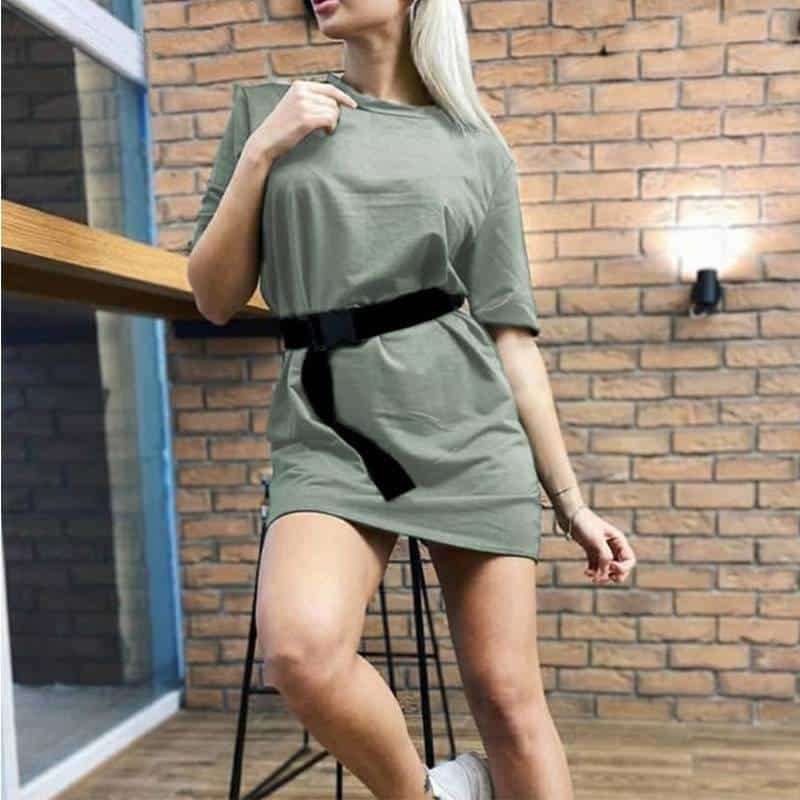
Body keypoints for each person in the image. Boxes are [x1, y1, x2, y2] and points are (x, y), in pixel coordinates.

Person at [187, 1, 637, 798]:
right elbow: (214, 297)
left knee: (509, 703)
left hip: (468, 431)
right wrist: (262, 152)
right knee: (300, 651)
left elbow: (510, 336)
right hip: (330, 431)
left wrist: (571, 503)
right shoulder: (269, 112)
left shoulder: (477, 147)